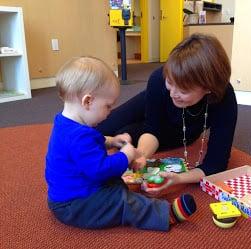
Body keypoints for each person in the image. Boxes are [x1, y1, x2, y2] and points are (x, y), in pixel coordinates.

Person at [45, 56, 197, 231]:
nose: (109, 113)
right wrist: (126, 155)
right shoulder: (79, 136)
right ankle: (166, 214)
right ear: (88, 101)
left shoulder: (66, 124)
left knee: (116, 184)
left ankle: (126, 197)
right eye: (108, 106)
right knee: (122, 202)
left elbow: (93, 141)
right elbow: (100, 170)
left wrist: (112, 141)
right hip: (76, 205)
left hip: (72, 194)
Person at [97, 33, 238, 195]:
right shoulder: (159, 80)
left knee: (126, 134)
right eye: (170, 82)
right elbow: (152, 128)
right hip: (155, 101)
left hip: (182, 130)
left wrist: (177, 179)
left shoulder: (224, 97)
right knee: (103, 126)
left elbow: (216, 164)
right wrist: (141, 155)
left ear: (207, 88)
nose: (173, 94)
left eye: (183, 90)